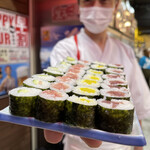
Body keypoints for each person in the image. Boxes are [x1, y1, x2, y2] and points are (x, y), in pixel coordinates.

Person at [44, 0, 150, 150]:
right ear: (79, 7)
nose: (96, 7)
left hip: (121, 145)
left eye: (104, 1)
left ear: (115, 6)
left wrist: (139, 147)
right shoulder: (65, 49)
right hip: (78, 146)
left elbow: (138, 106)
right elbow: (59, 99)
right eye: (88, 1)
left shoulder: (126, 51)